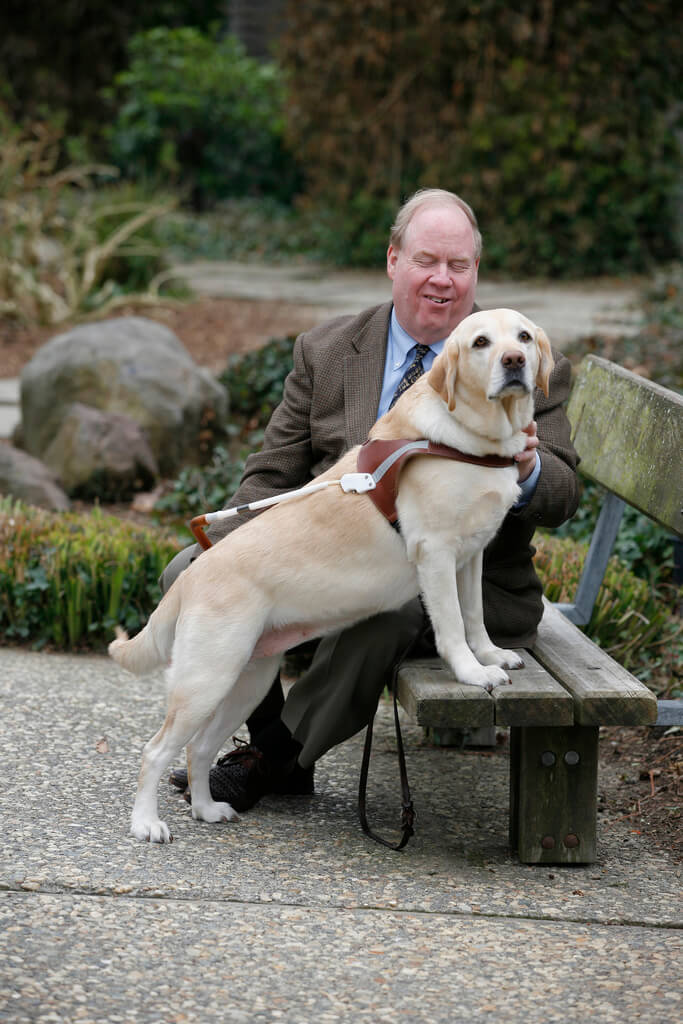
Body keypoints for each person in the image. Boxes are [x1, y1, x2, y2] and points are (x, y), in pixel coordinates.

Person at [164, 188, 580, 810]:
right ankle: (262, 736)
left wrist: (525, 468)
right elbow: (270, 473)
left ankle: (275, 760)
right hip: (338, 558)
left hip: (474, 587)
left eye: (459, 265)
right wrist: (239, 554)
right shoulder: (327, 351)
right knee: (192, 571)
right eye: (425, 261)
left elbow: (565, 491)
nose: (442, 280)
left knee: (389, 610)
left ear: (476, 272)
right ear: (393, 261)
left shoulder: (518, 353)